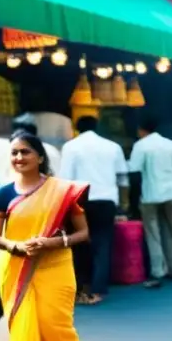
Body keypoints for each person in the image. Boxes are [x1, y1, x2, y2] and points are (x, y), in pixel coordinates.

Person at [0, 131, 91, 341]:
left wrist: (51, 243)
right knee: (26, 333)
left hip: (55, 267)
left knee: (57, 328)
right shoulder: (4, 193)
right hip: (16, 268)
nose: (19, 158)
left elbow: (83, 233)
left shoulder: (62, 192)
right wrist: (15, 246)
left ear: (40, 157)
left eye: (25, 152)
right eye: (14, 153)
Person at [59, 115, 129, 304]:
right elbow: (123, 179)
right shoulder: (112, 147)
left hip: (80, 200)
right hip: (106, 201)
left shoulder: (70, 147)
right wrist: (124, 205)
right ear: (96, 126)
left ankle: (81, 288)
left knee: (79, 245)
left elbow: (65, 180)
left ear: (76, 127)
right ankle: (98, 290)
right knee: (103, 245)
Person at [129, 116, 172, 289]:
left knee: (153, 233)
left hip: (150, 195)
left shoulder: (141, 145)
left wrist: (132, 200)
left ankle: (157, 271)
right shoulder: (170, 144)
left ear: (141, 129)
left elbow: (134, 171)